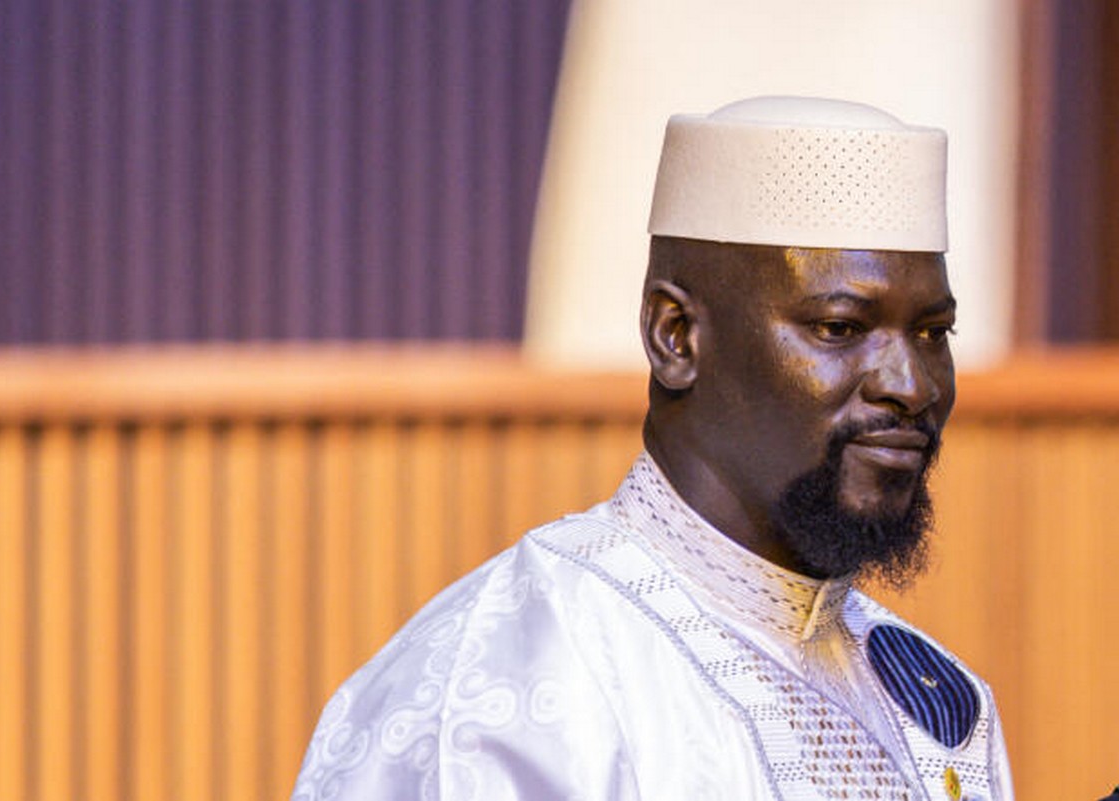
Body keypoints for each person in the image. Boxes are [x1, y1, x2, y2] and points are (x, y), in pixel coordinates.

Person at [291, 96, 1014, 800]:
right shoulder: (512, 677)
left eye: (932, 332)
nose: (911, 385)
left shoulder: (935, 704)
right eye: (839, 327)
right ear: (677, 336)